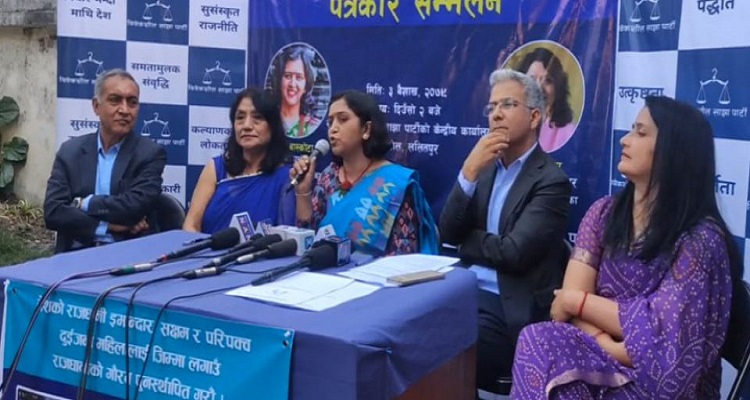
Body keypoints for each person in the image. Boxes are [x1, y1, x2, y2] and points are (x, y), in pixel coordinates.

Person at [511, 96, 743, 399]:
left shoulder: (701, 241)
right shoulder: (603, 214)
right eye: (632, 129)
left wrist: (578, 302)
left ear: (673, 151)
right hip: (600, 355)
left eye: (641, 132)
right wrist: (606, 344)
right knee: (539, 340)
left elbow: (664, 337)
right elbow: (567, 304)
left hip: (660, 386)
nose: (625, 139)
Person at [439, 69, 571, 389]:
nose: (496, 114)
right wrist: (469, 171)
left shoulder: (551, 181)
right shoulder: (484, 168)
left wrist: (467, 245)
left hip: (507, 303)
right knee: (410, 324)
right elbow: (448, 233)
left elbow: (513, 253)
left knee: (446, 343)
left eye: (508, 104)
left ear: (535, 117)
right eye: (492, 106)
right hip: (464, 288)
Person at [291, 90, 439, 256]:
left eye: (343, 119)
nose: (333, 129)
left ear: (366, 129)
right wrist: (303, 192)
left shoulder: (395, 183)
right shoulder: (328, 177)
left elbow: (404, 254)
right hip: (326, 270)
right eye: (330, 122)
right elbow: (308, 242)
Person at [44, 69, 167, 253]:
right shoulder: (70, 152)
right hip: (76, 253)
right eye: (115, 100)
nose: (124, 110)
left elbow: (134, 208)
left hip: (129, 253)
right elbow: (53, 212)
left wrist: (83, 204)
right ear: (96, 106)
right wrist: (105, 227)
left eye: (132, 102)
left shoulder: (150, 154)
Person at [183, 88, 294, 234]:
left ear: (272, 126)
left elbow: (291, 233)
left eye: (257, 118)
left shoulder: (286, 177)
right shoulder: (216, 168)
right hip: (208, 248)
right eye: (240, 118)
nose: (246, 126)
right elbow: (190, 225)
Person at [516, 47, 576, 152]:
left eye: (547, 81)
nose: (539, 87)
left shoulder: (568, 132)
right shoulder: (509, 122)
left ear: (558, 88)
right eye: (532, 79)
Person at [270, 46, 320, 138]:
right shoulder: (267, 122)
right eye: (287, 76)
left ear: (306, 85)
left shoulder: (312, 127)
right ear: (279, 80)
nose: (292, 84)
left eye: (299, 77)